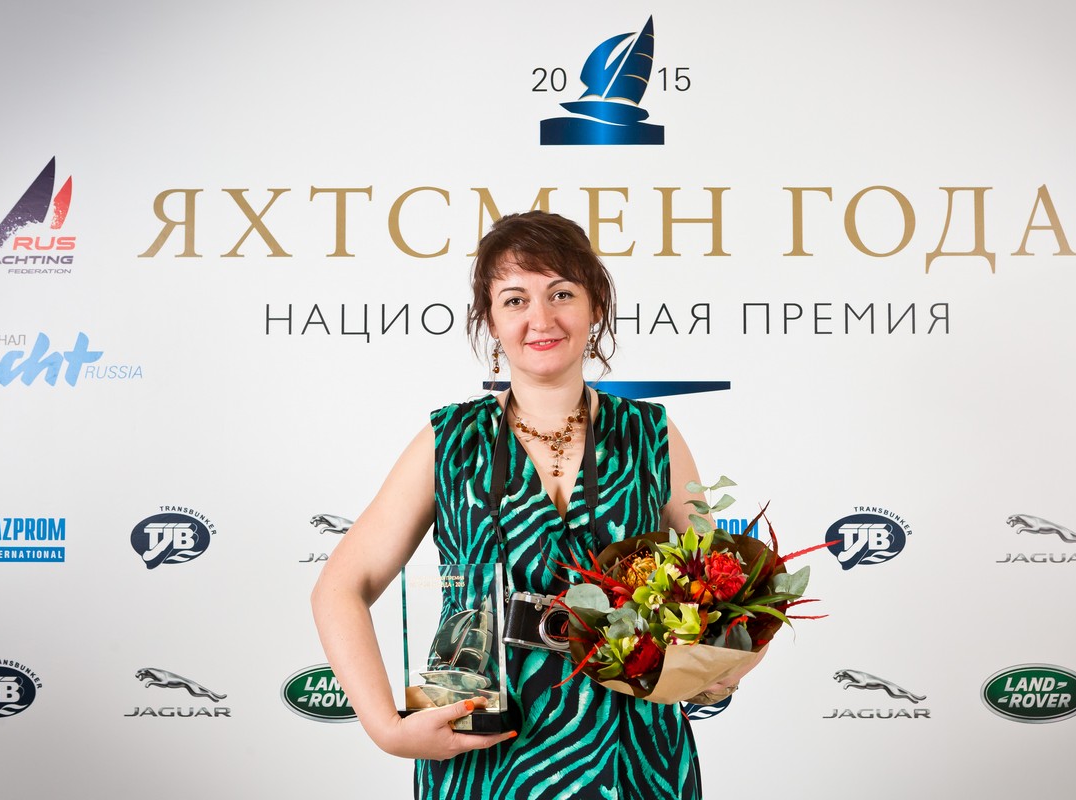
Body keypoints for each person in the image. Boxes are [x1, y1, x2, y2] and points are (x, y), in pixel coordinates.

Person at [312, 211, 749, 800]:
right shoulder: (450, 440)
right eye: (515, 299)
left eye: (561, 294)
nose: (540, 319)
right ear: (490, 319)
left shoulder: (652, 434)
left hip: (633, 754)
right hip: (483, 750)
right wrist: (386, 729)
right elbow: (340, 588)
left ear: (596, 305)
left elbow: (718, 597)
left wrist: (716, 669)